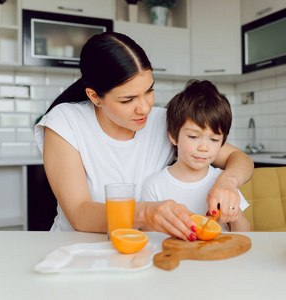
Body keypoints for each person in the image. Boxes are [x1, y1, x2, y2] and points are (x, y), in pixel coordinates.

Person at [34, 32, 254, 241]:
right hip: (76, 248)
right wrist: (145, 213)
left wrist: (227, 181)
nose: (145, 108)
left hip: (142, 251)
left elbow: (240, 159)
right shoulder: (65, 122)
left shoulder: (163, 120)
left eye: (149, 90)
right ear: (95, 96)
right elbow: (79, 213)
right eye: (128, 100)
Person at [141, 80, 251, 232]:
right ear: (173, 136)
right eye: (193, 137)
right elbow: (150, 237)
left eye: (214, 139)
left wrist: (233, 211)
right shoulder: (154, 185)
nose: (204, 147)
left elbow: (246, 233)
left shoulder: (223, 182)